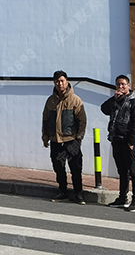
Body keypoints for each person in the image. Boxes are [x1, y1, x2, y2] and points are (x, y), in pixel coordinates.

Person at [100, 74, 135, 212]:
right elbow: (104, 109)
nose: (120, 87)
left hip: (127, 142)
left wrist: (131, 141)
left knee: (134, 171)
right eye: (118, 84)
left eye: (123, 84)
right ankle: (122, 197)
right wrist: (114, 99)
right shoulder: (116, 101)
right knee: (122, 171)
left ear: (128, 86)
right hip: (116, 140)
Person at [41, 70, 87, 203]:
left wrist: (79, 138)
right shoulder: (50, 101)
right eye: (57, 81)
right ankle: (63, 192)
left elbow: (82, 121)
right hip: (56, 141)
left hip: (71, 141)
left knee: (76, 168)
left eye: (62, 81)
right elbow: (45, 119)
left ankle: (78, 194)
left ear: (67, 82)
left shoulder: (75, 100)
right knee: (58, 168)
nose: (59, 84)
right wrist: (45, 136)